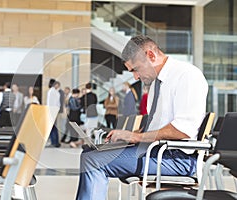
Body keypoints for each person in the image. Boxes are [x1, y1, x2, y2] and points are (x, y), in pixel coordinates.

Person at [75, 35, 208, 200]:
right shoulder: (155, 84)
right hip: (156, 151)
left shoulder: (187, 75)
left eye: (136, 69)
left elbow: (183, 129)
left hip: (177, 158)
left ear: (151, 56)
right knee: (89, 153)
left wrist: (137, 137)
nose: (135, 77)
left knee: (94, 161)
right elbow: (155, 127)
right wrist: (127, 136)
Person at [47, 80, 61, 147]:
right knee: (54, 127)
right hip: (54, 110)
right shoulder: (55, 92)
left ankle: (54, 142)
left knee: (52, 127)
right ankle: (55, 142)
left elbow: (49, 103)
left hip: (51, 111)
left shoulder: (51, 91)